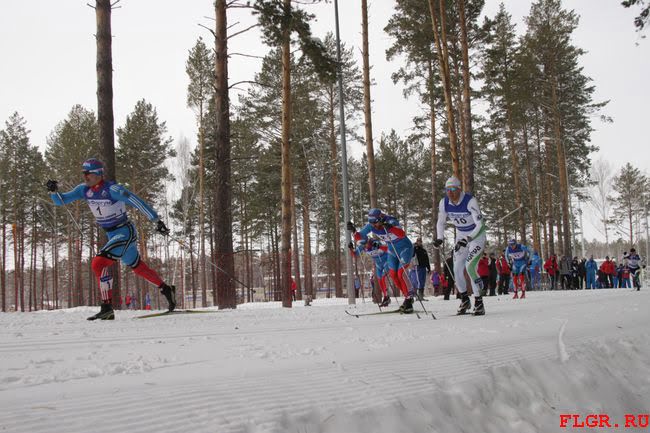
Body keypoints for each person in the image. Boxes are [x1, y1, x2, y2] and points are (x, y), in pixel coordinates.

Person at [46, 158, 176, 320]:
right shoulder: (83, 190)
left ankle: (107, 308)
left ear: (98, 174)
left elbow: (136, 201)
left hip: (125, 232)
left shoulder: (112, 189)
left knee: (98, 263)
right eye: (84, 173)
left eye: (88, 173)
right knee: (137, 267)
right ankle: (166, 289)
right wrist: (53, 191)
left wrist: (156, 221)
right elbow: (61, 201)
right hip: (112, 234)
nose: (85, 176)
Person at [433, 176, 487, 315]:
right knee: (456, 269)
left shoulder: (470, 201)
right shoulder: (444, 202)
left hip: (476, 236)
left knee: (470, 266)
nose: (450, 193)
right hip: (461, 236)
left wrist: (469, 238)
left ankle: (479, 301)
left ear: (459, 189)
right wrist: (439, 238)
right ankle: (464, 299)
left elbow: (480, 225)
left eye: (453, 189)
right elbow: (441, 222)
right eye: (447, 189)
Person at [348, 209, 414, 312]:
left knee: (400, 273)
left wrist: (390, 228)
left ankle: (409, 297)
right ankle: (407, 297)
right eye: (371, 223)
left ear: (380, 219)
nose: (373, 225)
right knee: (393, 275)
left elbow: (402, 234)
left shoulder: (391, 221)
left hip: (405, 248)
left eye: (375, 223)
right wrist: (354, 231)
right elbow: (360, 236)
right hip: (392, 250)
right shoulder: (371, 226)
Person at [350, 237, 390, 306]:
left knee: (383, 277)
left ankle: (388, 296)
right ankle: (386, 297)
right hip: (378, 264)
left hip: (386, 261)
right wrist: (351, 248)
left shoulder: (375, 242)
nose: (365, 246)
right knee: (380, 280)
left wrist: (379, 246)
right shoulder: (362, 246)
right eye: (363, 245)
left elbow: (387, 248)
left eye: (365, 244)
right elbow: (355, 254)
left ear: (368, 241)